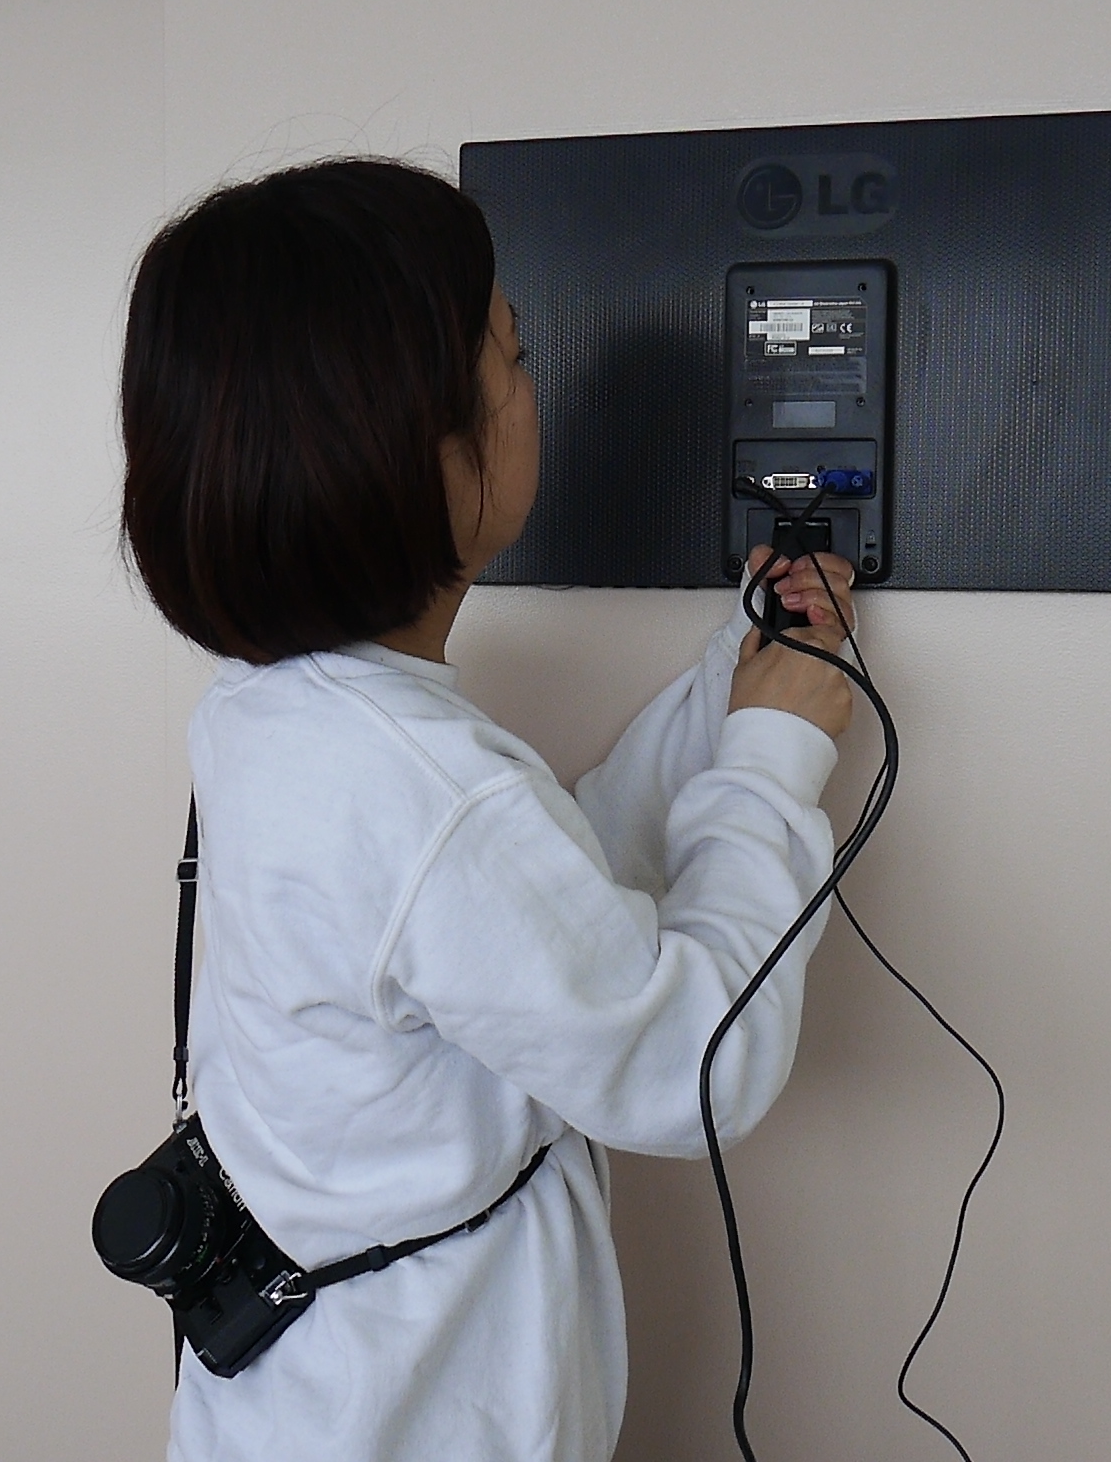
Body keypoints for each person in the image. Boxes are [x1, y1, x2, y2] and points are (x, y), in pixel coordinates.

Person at [119, 157, 859, 1462]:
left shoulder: (278, 713)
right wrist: (773, 760)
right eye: (512, 359)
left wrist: (727, 693)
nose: (530, 390)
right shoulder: (421, 790)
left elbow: (529, 911)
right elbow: (696, 1061)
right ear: (414, 447)